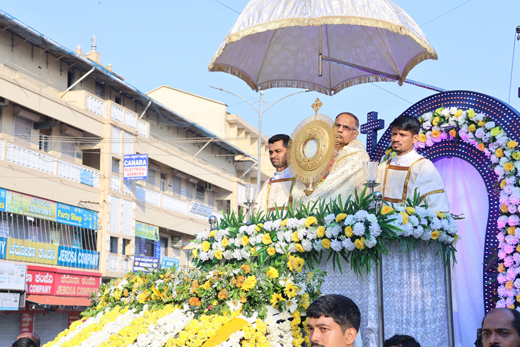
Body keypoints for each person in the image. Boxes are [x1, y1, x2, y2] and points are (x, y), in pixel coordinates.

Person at [376, 115, 449, 211]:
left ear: (415, 138)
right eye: (394, 134)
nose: (396, 139)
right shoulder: (383, 167)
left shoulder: (423, 167)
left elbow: (434, 205)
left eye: (402, 135)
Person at [296, 112, 369, 204]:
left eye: (346, 127)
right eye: (337, 126)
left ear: (355, 134)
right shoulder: (320, 150)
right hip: (309, 201)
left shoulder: (358, 156)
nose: (340, 130)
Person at [256, 134, 296, 213]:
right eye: (271, 152)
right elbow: (256, 213)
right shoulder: (268, 184)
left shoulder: (300, 181)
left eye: (278, 151)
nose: (273, 156)